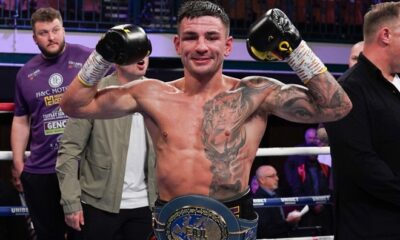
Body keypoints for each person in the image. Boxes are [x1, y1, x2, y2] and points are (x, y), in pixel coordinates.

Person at [60, 1, 352, 239]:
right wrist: (101, 56)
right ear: (177, 44)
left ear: (227, 46)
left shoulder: (255, 93)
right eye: (191, 37)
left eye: (211, 37)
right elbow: (74, 105)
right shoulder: (150, 93)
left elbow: (337, 107)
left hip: (233, 222)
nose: (201, 46)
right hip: (169, 222)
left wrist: (294, 48)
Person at [11, 7, 92, 240]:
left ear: (63, 29)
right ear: (35, 38)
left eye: (56, 30)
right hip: (41, 170)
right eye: (44, 33)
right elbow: (20, 119)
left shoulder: (87, 59)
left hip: (81, 169)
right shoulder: (26, 73)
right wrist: (18, 161)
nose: (52, 37)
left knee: (84, 234)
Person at [56, 56, 156, 240]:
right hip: (98, 205)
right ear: (118, 59)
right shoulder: (93, 94)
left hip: (146, 207)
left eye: (145, 50)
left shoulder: (159, 94)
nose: (141, 56)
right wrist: (71, 203)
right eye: (134, 51)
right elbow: (69, 150)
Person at [325, 2, 400, 239]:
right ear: (386, 35)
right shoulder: (348, 89)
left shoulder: (395, 83)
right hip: (369, 225)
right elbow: (362, 163)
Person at [252, 165, 302, 238]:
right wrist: (288, 222)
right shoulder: (258, 199)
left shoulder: (276, 194)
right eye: (272, 176)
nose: (277, 178)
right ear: (262, 180)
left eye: (277, 175)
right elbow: (265, 230)